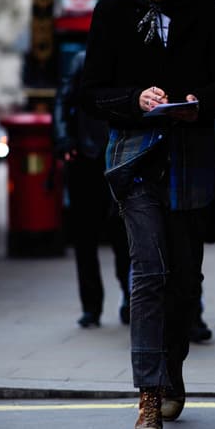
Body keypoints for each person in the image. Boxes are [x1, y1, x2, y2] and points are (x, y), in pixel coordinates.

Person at [81, 0, 215, 429]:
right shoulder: (111, 13)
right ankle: (148, 397)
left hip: (190, 157)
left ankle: (172, 371)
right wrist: (135, 99)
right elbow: (91, 93)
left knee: (185, 282)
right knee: (148, 274)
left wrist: (199, 102)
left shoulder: (206, 6)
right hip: (135, 159)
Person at [52, 50, 131, 329]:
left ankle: (129, 297)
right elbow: (62, 101)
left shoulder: (127, 56)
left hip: (120, 155)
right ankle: (91, 306)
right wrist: (64, 138)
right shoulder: (81, 60)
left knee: (124, 234)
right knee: (85, 237)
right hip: (86, 157)